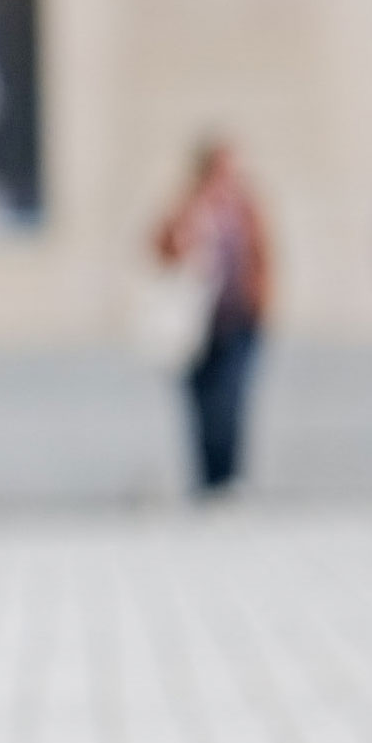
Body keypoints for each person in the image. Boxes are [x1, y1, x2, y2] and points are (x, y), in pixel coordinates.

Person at [150, 138, 270, 496]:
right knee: (203, 405)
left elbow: (262, 255)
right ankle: (206, 479)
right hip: (198, 326)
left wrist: (262, 299)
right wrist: (186, 235)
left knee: (232, 400)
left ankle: (230, 477)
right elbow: (159, 248)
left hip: (239, 319)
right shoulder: (188, 207)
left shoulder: (245, 208)